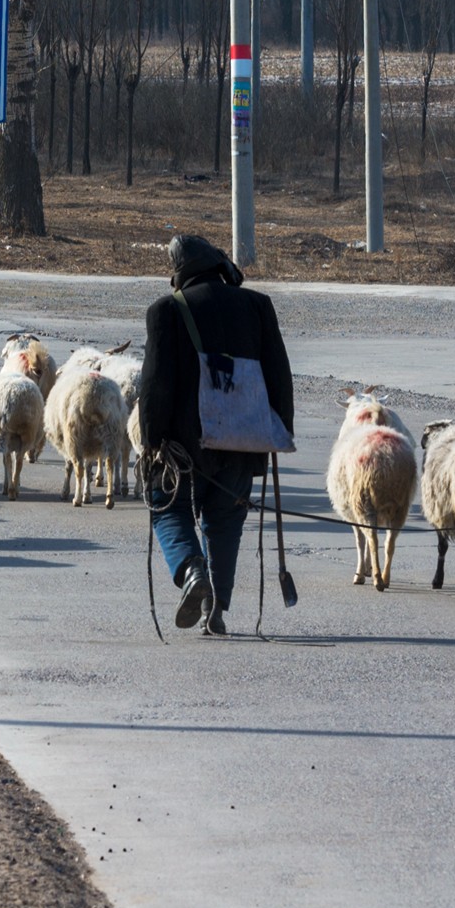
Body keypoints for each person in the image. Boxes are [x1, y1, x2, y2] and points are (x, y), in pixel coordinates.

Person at [137, 233, 294, 636]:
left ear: (179, 272)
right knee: (225, 521)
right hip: (243, 441)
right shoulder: (258, 306)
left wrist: (151, 442)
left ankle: (192, 573)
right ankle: (215, 609)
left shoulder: (166, 311)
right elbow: (279, 375)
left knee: (166, 507)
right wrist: (276, 433)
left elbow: (154, 384)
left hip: (183, 445)